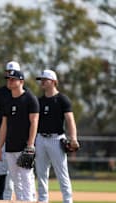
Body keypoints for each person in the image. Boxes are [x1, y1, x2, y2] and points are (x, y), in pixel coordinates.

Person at [35, 69, 80, 203]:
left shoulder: (62, 99)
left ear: (53, 82)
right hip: (40, 138)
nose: (42, 82)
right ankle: (43, 200)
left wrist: (73, 138)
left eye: (45, 80)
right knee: (41, 173)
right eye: (41, 80)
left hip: (56, 139)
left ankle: (67, 200)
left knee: (62, 173)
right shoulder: (39, 101)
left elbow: (70, 120)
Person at [0, 69, 39, 201]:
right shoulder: (8, 100)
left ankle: (28, 200)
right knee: (15, 179)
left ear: (21, 81)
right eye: (8, 79)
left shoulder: (30, 99)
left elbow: (34, 122)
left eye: (13, 79)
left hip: (24, 145)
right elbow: (4, 125)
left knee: (26, 177)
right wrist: (0, 146)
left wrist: (30, 145)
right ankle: (21, 200)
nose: (10, 81)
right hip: (10, 145)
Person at [0, 61, 20, 200]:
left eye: (13, 73)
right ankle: (0, 199)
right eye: (8, 72)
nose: (10, 75)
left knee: (16, 171)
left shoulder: (24, 93)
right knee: (1, 170)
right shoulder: (0, 93)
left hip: (18, 137)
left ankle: (11, 198)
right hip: (2, 136)